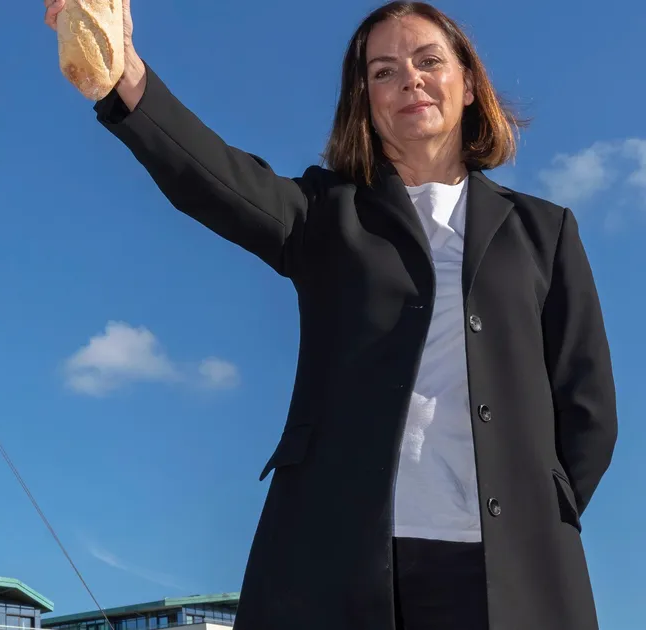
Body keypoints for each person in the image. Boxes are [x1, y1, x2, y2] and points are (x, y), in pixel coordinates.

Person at [42, 1, 617, 629]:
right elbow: (215, 178)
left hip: (507, 573)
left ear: (470, 83)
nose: (410, 81)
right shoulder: (324, 214)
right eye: (384, 71)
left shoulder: (545, 230)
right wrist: (125, 75)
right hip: (338, 564)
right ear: (364, 99)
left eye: (429, 61)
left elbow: (586, 407)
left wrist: (535, 510)